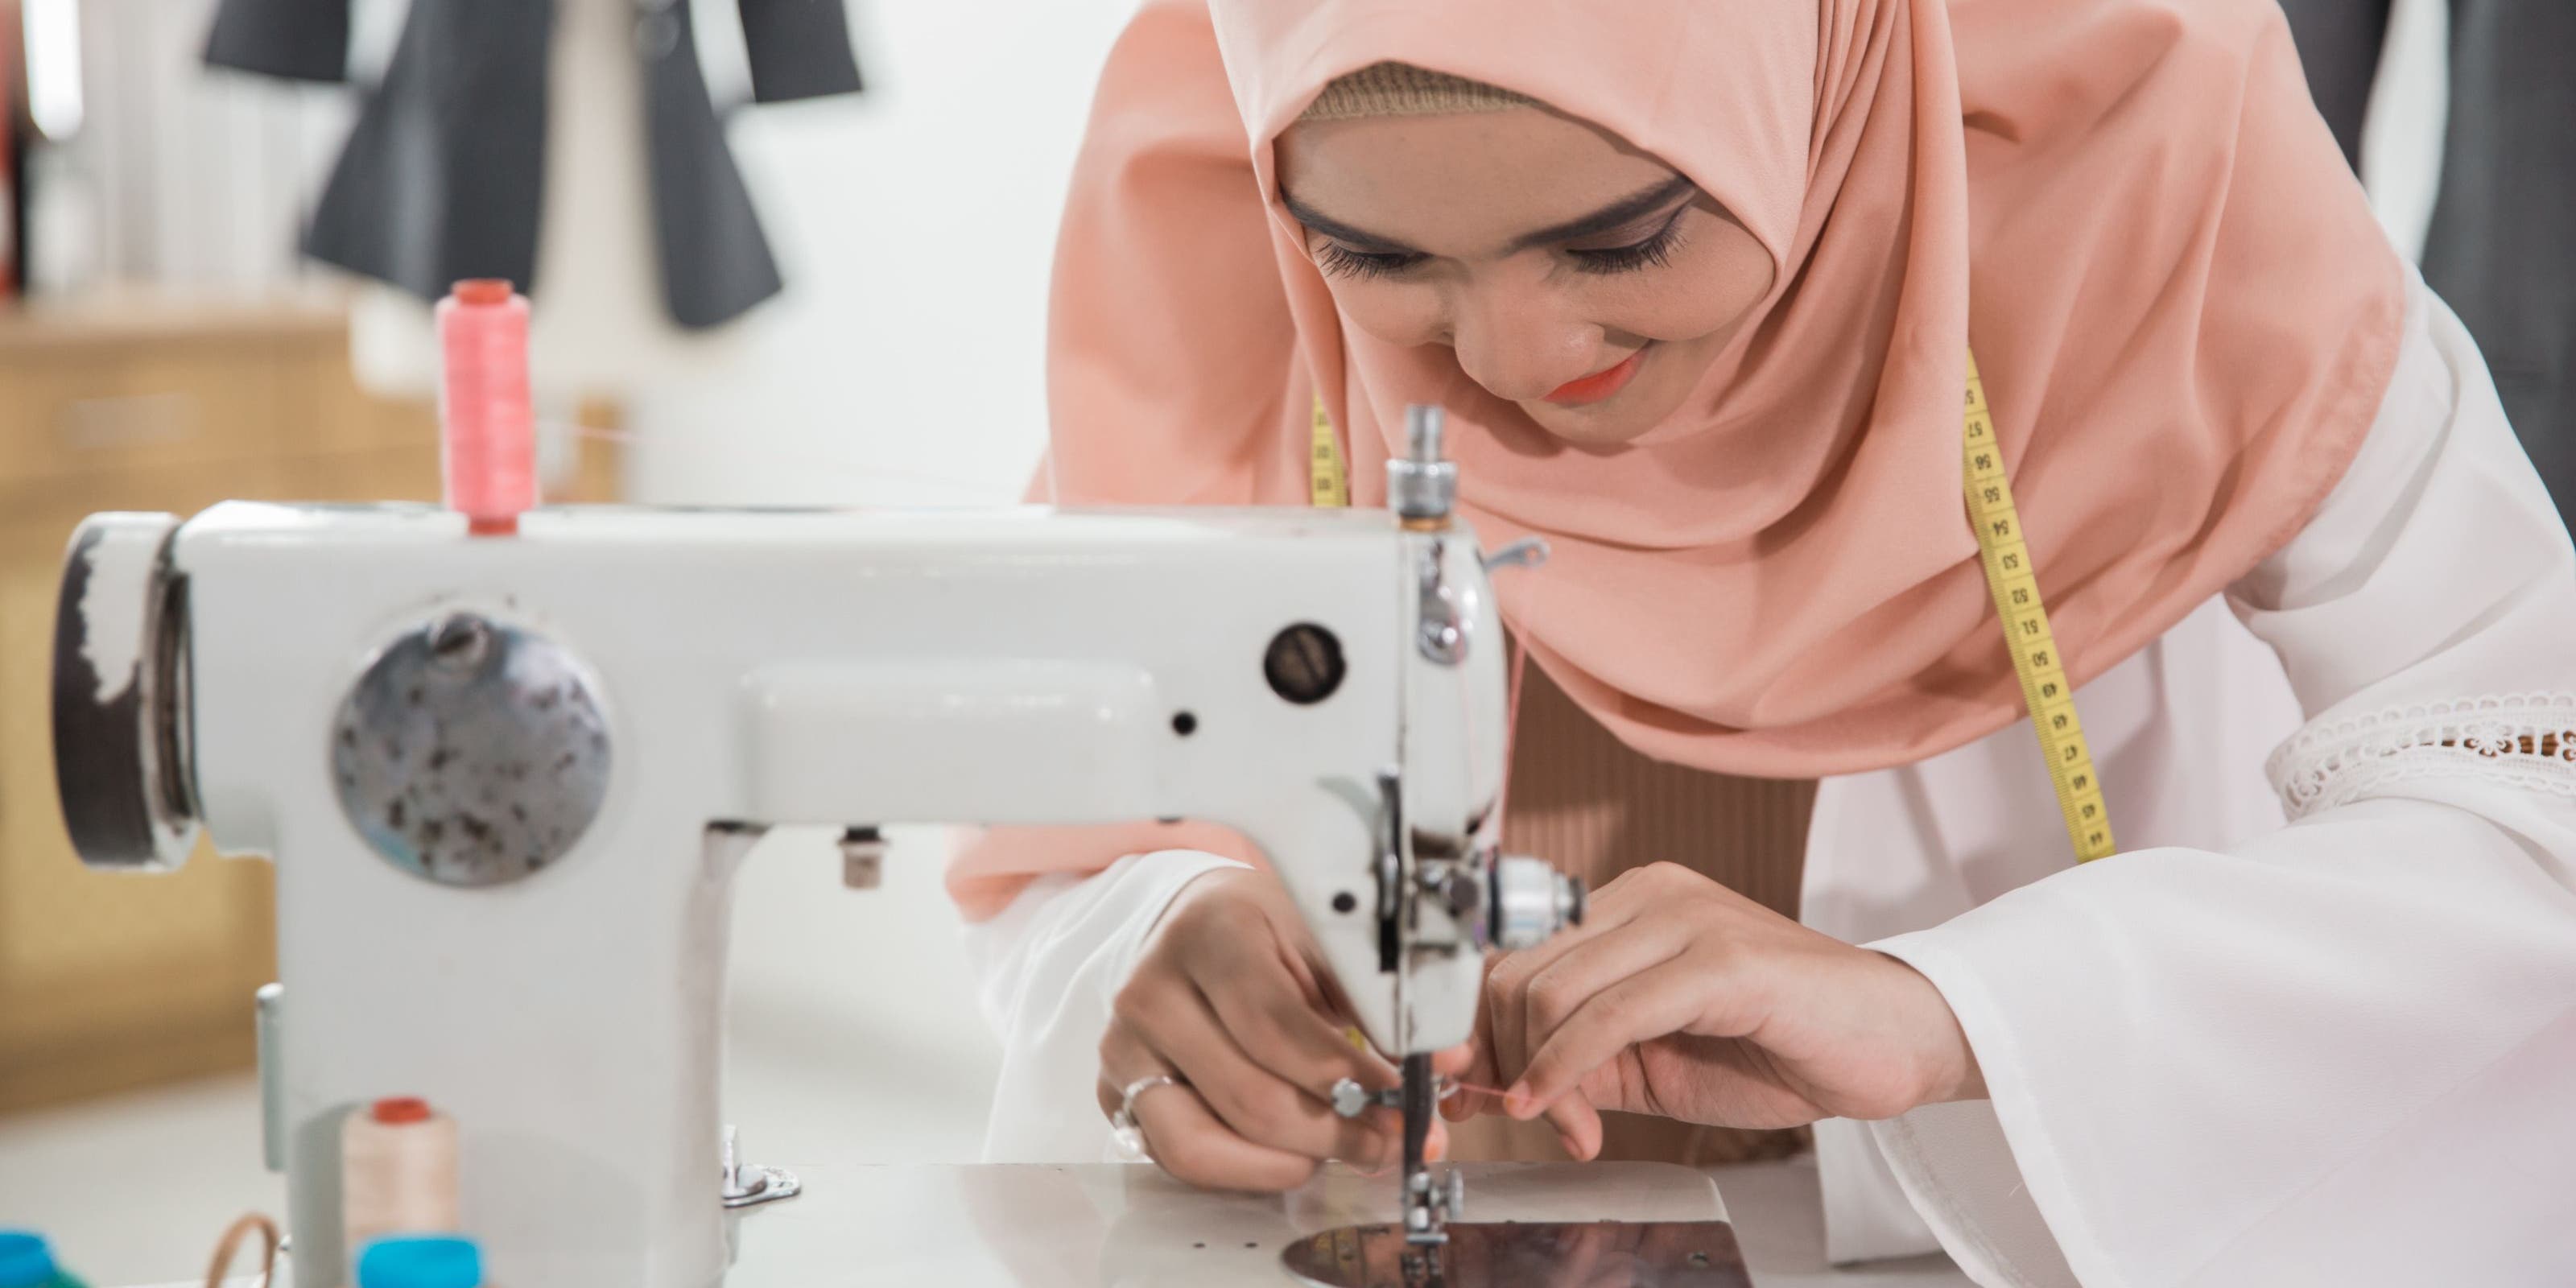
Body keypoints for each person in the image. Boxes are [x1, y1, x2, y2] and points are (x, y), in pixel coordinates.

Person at [953, 1, 2576, 1283]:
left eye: (1621, 236)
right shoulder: (1204, 192)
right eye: (1383, 261)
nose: (1513, 355)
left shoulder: (2147, 170)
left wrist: (1950, 1012)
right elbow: (1059, 838)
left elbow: (2535, 815)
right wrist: (1159, 926)